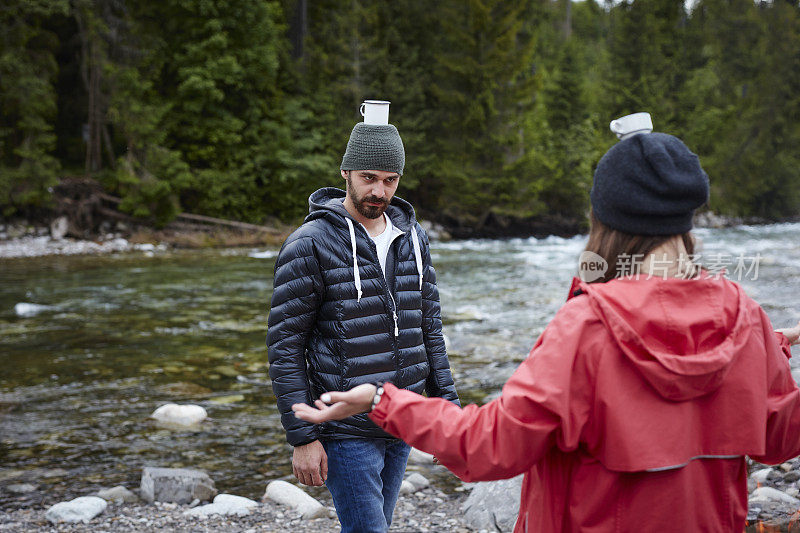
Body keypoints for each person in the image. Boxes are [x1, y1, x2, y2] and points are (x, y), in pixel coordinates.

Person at [293, 129, 800, 532]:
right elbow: (778, 438)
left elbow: (489, 446)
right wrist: (765, 349)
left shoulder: (588, 327)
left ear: (604, 219)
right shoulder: (744, 319)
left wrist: (382, 400)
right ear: (689, 221)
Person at [267, 109, 460, 533]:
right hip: (344, 427)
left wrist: (449, 412)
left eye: (390, 180)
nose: (379, 190)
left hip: (401, 415)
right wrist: (302, 437)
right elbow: (285, 347)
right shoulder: (309, 244)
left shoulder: (413, 237)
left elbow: (428, 329)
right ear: (346, 173)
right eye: (368, 177)